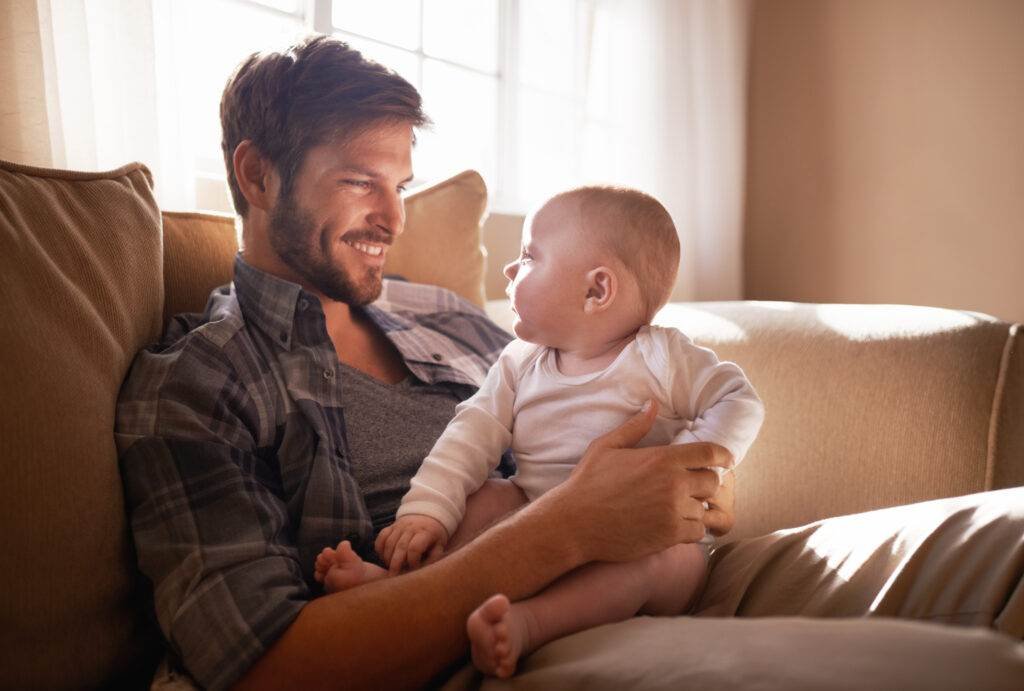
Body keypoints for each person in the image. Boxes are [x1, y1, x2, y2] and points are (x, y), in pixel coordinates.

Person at [115, 35, 736, 690]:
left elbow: (607, 392)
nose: (393, 218)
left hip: (646, 588)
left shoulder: (438, 311)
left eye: (400, 186)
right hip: (491, 649)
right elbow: (267, 667)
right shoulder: (200, 382)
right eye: (360, 181)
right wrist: (572, 527)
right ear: (257, 175)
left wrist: (693, 481)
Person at [312, 185, 765, 677]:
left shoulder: (661, 358)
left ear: (596, 291)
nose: (509, 270)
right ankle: (399, 585)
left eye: (528, 257)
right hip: (534, 512)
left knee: (661, 562)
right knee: (486, 497)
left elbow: (738, 399)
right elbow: (470, 434)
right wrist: (427, 514)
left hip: (645, 538)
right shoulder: (519, 362)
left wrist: (680, 467)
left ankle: (529, 622)